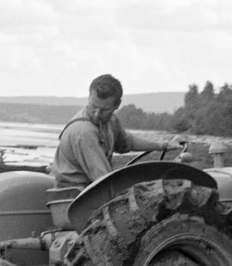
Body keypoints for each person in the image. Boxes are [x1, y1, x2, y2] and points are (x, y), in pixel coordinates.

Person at [51, 74, 184, 190]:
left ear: (117, 105)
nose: (97, 114)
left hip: (90, 188)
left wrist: (164, 145)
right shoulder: (84, 132)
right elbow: (102, 179)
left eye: (104, 109)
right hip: (73, 196)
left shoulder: (110, 121)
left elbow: (127, 142)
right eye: (93, 106)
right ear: (89, 97)